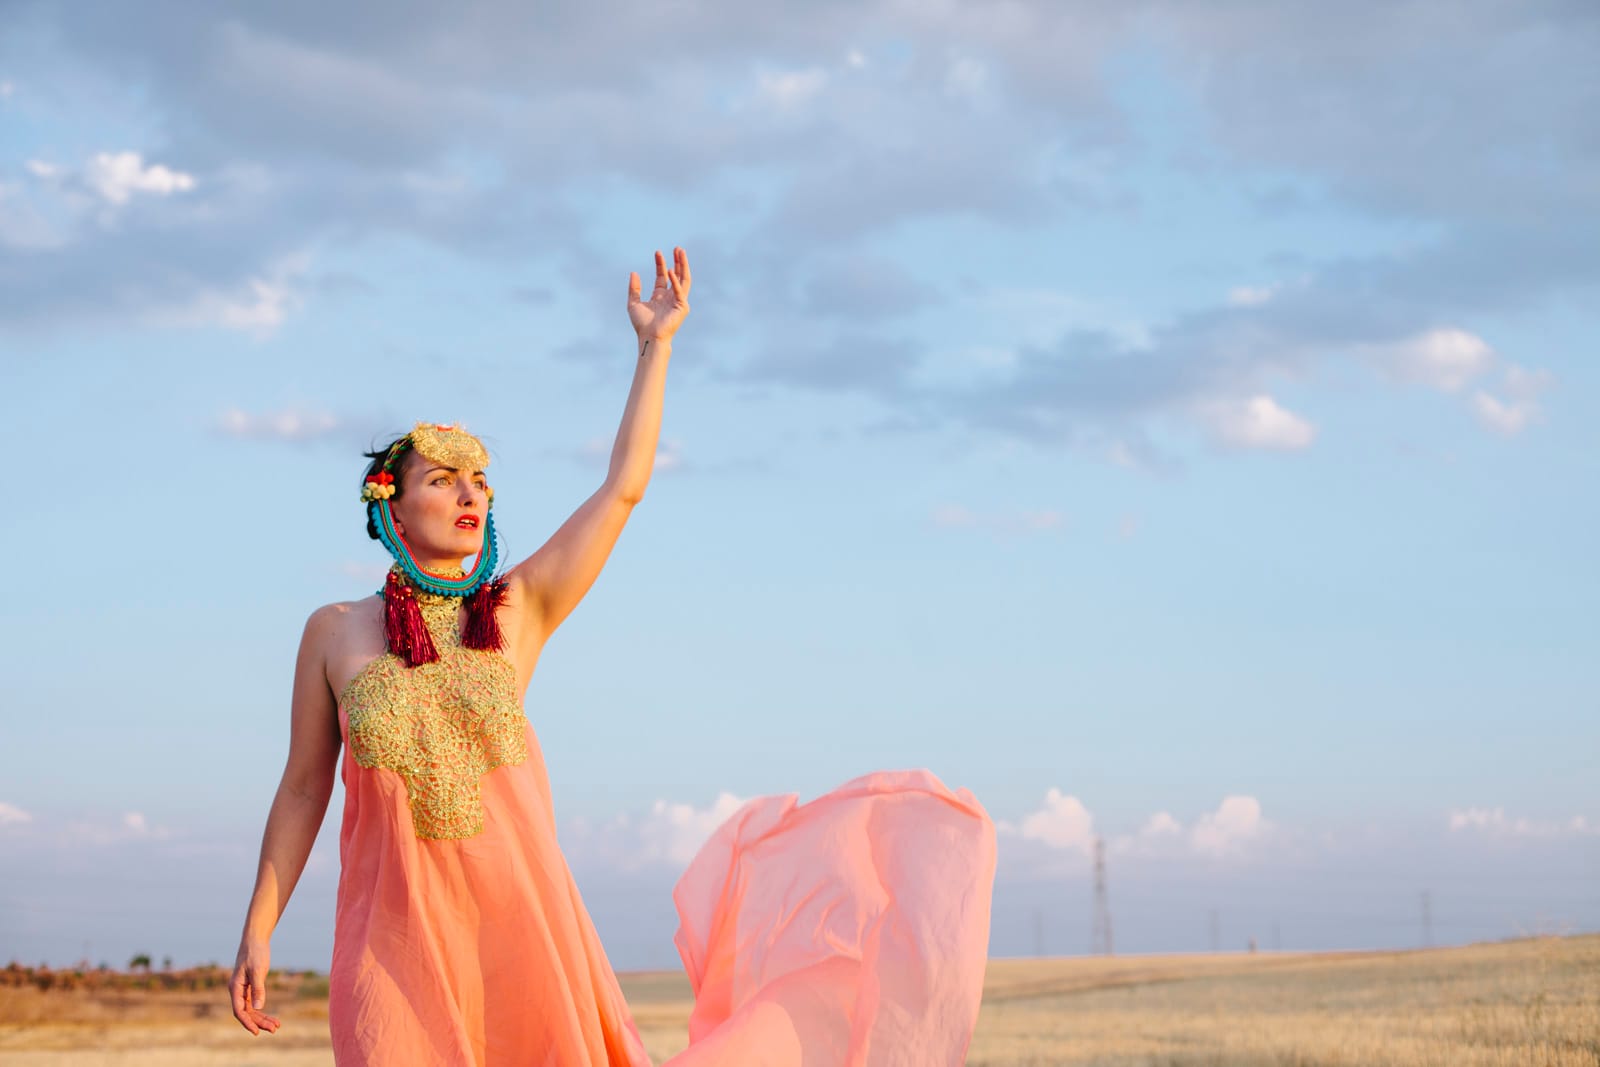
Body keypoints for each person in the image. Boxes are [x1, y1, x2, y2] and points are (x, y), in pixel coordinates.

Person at [229, 247, 998, 1065]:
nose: (469, 492)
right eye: (442, 479)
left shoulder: (516, 610)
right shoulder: (334, 631)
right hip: (391, 945)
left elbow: (622, 488)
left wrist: (655, 347)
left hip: (521, 933)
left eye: (479, 479)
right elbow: (305, 786)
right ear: (389, 505)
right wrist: (258, 928)